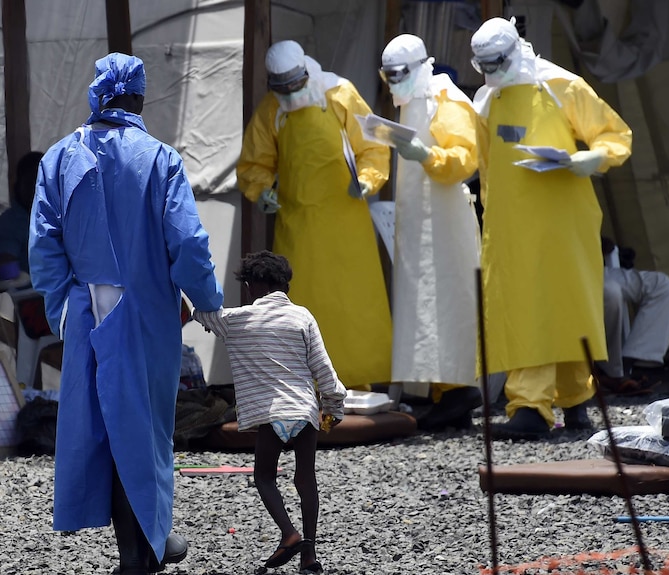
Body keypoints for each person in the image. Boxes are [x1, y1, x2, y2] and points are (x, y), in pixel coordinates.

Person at [29, 53, 224, 575]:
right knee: (146, 431)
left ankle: (137, 551)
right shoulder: (159, 158)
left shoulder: (59, 159)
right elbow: (187, 240)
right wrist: (206, 301)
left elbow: (44, 248)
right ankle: (145, 550)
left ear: (97, 95)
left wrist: (62, 310)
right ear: (137, 97)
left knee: (104, 431)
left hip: (85, 313)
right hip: (144, 314)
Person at [470, 17, 632, 439]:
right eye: (483, 66)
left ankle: (542, 404)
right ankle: (560, 401)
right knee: (530, 307)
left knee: (561, 305)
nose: (491, 74)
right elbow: (487, 167)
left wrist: (590, 159)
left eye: (496, 64)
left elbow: (615, 135)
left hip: (562, 219)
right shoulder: (486, 99)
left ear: (516, 49)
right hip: (510, 225)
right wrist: (492, 216)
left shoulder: (562, 85)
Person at [237, 40, 392, 390]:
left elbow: (373, 145)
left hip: (347, 223)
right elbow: (254, 162)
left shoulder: (340, 94)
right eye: (282, 89)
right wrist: (261, 191)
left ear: (306, 73)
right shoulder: (271, 110)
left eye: (295, 86)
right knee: (302, 306)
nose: (290, 94)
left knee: (353, 305)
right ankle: (305, 385)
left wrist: (367, 180)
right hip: (298, 226)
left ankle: (358, 381)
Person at [192, 250, 345, 575]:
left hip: (270, 415)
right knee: (306, 481)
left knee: (264, 477)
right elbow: (325, 371)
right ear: (284, 284)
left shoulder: (235, 320)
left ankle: (288, 534)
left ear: (250, 286)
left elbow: (201, 314)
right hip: (304, 411)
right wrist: (332, 409)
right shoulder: (303, 317)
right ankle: (309, 556)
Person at [379, 34, 482, 431]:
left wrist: (426, 155)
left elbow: (465, 158)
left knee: (447, 302)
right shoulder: (413, 101)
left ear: (422, 66)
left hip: (444, 221)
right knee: (424, 304)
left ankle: (458, 389)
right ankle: (445, 395)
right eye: (388, 76)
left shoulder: (445, 97)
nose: (393, 83)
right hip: (421, 222)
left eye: (399, 74)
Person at [0, 151, 52, 342]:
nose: (37, 189)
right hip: (40, 310)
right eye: (31, 183)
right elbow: (5, 267)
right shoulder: (11, 224)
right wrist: (2, 275)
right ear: (17, 186)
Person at [596, 236, 669, 395]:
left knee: (663, 286)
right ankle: (609, 372)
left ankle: (631, 363)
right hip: (568, 272)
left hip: (595, 269)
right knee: (610, 292)